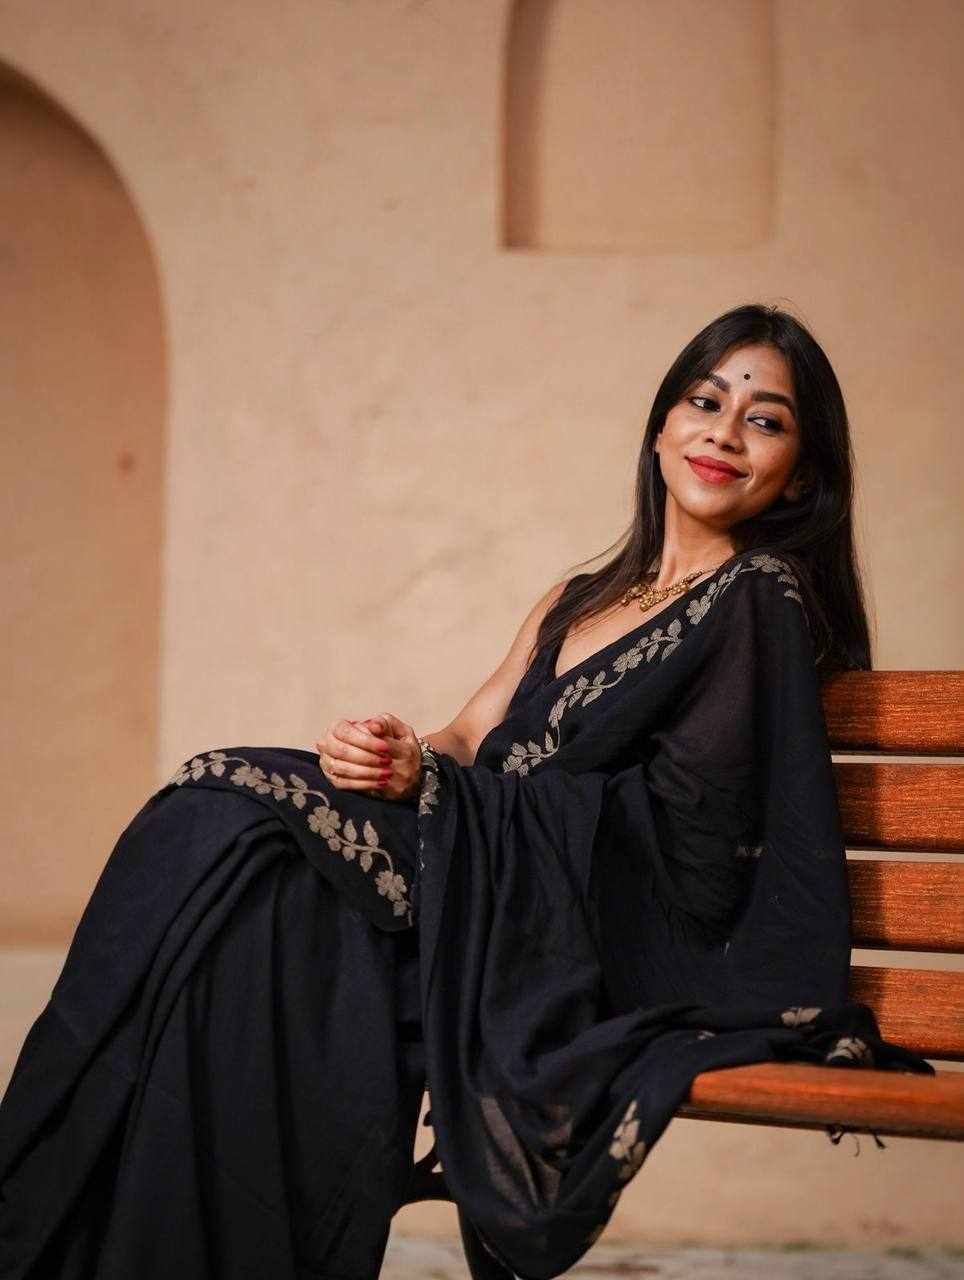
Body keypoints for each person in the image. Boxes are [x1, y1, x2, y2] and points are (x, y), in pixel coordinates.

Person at [0, 303, 935, 1280]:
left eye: (765, 419)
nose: (725, 431)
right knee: (228, 851)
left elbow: (684, 842)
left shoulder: (757, 600)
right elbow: (466, 734)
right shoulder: (580, 597)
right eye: (705, 401)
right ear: (661, 424)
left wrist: (444, 793)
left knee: (238, 825)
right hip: (471, 882)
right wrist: (395, 748)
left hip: (561, 933)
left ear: (801, 472)